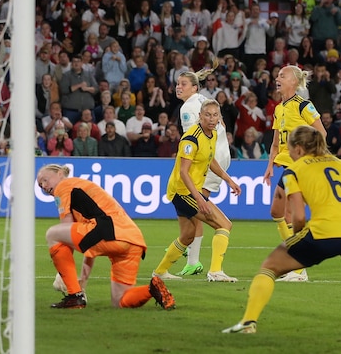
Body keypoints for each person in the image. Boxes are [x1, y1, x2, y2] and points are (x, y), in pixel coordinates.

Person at [222, 126, 341, 335]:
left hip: (323, 232)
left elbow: (299, 216)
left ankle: (248, 322)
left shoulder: (293, 170)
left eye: (291, 149)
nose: (290, 153)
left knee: (270, 266)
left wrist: (297, 239)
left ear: (300, 149)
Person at [37, 164, 175, 310]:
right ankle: (152, 289)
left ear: (59, 173)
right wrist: (82, 280)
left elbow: (65, 228)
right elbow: (89, 244)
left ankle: (74, 297)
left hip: (108, 230)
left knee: (52, 234)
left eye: (45, 180)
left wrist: (62, 275)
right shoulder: (80, 189)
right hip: (132, 239)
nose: (44, 186)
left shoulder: (63, 186)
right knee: (120, 301)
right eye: (40, 185)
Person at [152, 99, 242, 282]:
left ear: (219, 118)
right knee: (224, 225)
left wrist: (229, 180)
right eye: (207, 114)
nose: (211, 118)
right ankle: (216, 271)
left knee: (187, 236)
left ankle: (159, 272)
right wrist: (200, 199)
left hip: (183, 192)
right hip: (184, 192)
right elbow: (184, 172)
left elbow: (210, 160)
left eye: (215, 115)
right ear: (200, 116)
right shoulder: (191, 138)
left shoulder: (213, 134)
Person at [165, 62, 234, 278]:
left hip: (209, 159)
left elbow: (193, 142)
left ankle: (192, 256)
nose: (179, 87)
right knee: (194, 207)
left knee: (196, 206)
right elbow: (220, 125)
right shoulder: (205, 101)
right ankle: (191, 257)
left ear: (195, 87)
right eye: (177, 83)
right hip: (220, 155)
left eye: (183, 84)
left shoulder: (187, 108)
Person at [262, 65, 325, 282]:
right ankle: (296, 263)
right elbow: (275, 142)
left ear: (294, 82)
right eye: (277, 74)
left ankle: (298, 268)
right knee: (277, 213)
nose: (277, 78)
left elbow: (322, 133)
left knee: (288, 214)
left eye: (282, 75)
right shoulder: (279, 108)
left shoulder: (303, 106)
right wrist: (270, 165)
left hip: (299, 168)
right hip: (285, 166)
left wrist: (310, 160)